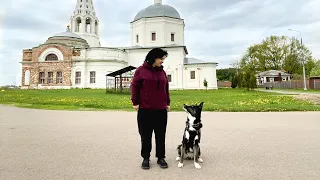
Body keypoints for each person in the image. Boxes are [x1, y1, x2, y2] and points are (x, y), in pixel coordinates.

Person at [130, 48, 170, 170]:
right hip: (145, 109)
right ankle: (146, 158)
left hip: (161, 109)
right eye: (161, 59)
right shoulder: (140, 71)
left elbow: (166, 88)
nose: (162, 61)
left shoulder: (162, 72)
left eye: (163, 59)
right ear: (153, 58)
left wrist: (167, 103)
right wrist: (135, 102)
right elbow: (134, 87)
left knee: (160, 135)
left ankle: (161, 157)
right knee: (145, 135)